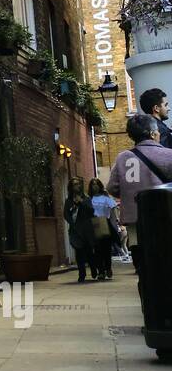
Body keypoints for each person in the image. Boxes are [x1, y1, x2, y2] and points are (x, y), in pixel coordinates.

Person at [107, 111, 172, 272]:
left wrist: (129, 193)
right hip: (165, 218)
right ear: (152, 133)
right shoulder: (168, 155)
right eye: (156, 130)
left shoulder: (123, 158)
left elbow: (112, 187)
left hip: (135, 221)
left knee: (143, 266)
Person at [64, 177, 96, 283]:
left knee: (89, 252)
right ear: (71, 187)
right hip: (75, 230)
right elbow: (66, 215)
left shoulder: (86, 198)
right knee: (79, 253)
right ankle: (81, 274)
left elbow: (91, 211)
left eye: (78, 184)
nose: (76, 186)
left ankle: (93, 269)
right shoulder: (69, 201)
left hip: (86, 229)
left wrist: (81, 202)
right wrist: (72, 224)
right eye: (74, 184)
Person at [86, 178, 119, 281]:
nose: (94, 186)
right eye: (92, 185)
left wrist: (115, 222)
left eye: (96, 184)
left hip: (105, 222)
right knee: (97, 249)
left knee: (106, 249)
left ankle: (108, 267)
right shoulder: (89, 199)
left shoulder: (105, 198)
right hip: (93, 224)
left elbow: (114, 209)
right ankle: (101, 271)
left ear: (99, 186)